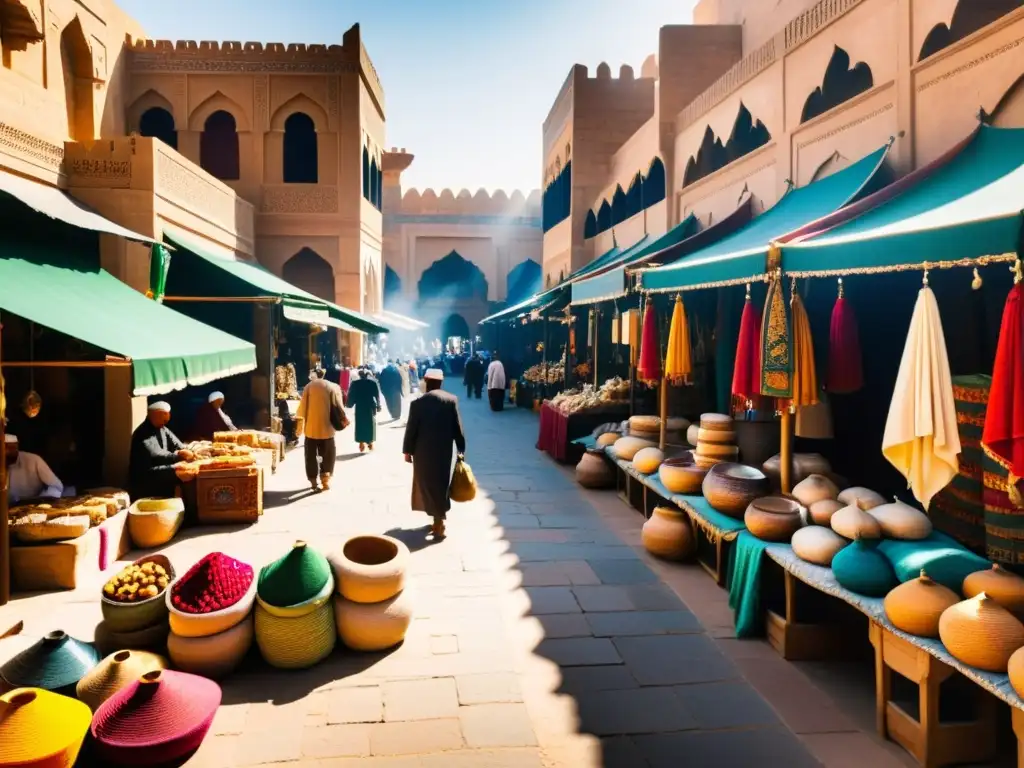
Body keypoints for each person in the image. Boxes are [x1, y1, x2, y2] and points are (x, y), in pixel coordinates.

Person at [403, 369, 466, 539]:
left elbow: (411, 430)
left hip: (422, 452)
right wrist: (461, 448)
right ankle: (438, 518)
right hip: (443, 450)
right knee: (441, 483)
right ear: (441, 382)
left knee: (426, 484)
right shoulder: (450, 400)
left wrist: (407, 451)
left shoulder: (417, 404)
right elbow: (457, 427)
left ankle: (438, 519)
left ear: (426, 381)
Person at [128, 401, 193, 500]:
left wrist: (186, 450)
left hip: (161, 473)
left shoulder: (162, 428)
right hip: (146, 477)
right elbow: (156, 455)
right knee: (180, 470)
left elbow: (177, 444)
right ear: (155, 415)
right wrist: (178, 455)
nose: (164, 424)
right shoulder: (142, 433)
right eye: (164, 420)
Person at [296, 367, 343, 492]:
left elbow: (302, 409)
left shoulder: (309, 387)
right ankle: (325, 479)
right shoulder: (331, 386)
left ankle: (313, 481)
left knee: (310, 455)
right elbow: (339, 406)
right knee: (327, 454)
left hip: (311, 429)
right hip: (327, 428)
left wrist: (299, 424)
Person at [5, 433, 62, 502]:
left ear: (17, 446)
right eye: (4, 448)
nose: (7, 452)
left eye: (11, 448)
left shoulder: (33, 460)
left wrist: (40, 502)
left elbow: (56, 487)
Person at [346, 368, 380, 452]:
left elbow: (351, 395)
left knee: (360, 424)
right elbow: (377, 395)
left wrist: (349, 404)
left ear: (359, 375)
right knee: (370, 424)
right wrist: (378, 405)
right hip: (370, 406)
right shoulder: (372, 383)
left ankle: (361, 443)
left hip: (360, 406)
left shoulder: (355, 384)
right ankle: (370, 442)